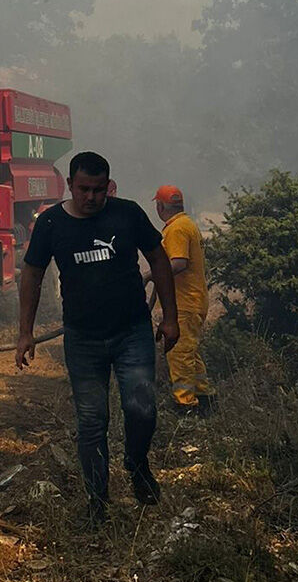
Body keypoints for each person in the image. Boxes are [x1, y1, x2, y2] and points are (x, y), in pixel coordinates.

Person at [15, 151, 180, 526]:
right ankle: (97, 502)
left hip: (131, 332)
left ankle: (137, 466)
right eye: (84, 189)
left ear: (109, 185)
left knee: (142, 408)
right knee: (92, 422)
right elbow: (32, 275)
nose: (91, 197)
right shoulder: (51, 223)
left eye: (99, 189)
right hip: (83, 339)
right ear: (70, 185)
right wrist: (25, 333)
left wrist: (170, 318)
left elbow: (158, 259)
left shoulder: (128, 213)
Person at [149, 185, 216, 412]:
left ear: (160, 206)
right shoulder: (186, 224)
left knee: (179, 354)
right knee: (190, 353)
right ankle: (205, 398)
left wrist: (149, 275)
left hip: (185, 303)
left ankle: (186, 404)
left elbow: (178, 263)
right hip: (193, 300)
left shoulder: (176, 229)